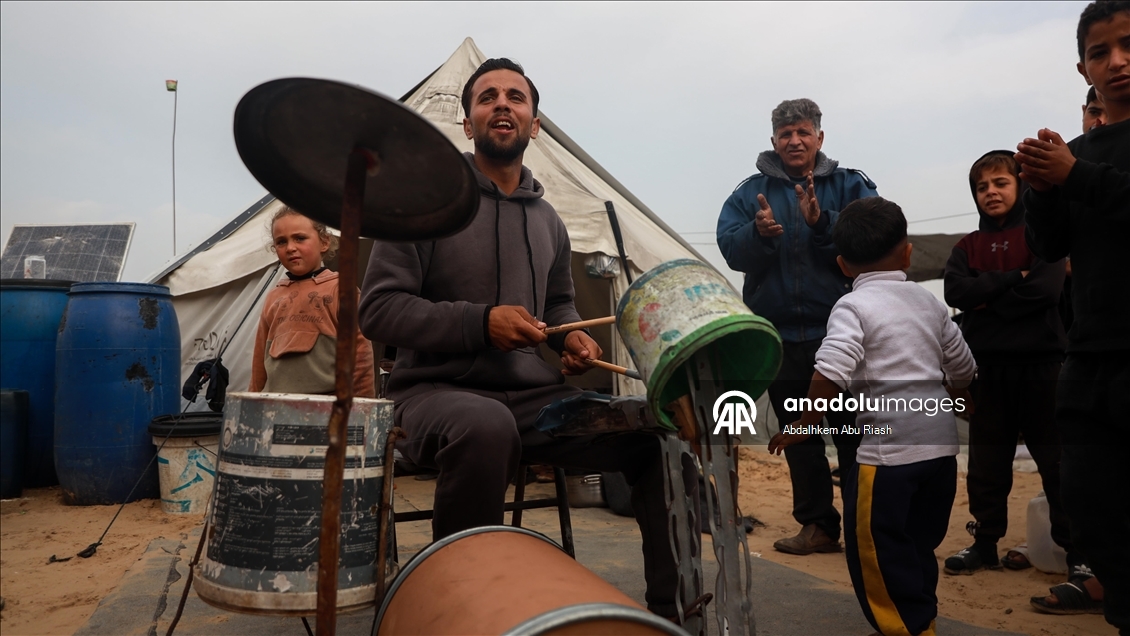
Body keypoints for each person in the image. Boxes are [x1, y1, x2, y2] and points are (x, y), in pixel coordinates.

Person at [359, 58, 688, 620]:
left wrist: (568, 342)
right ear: (467, 123)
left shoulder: (550, 220)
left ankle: (674, 612)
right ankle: (462, 611)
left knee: (652, 430)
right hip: (433, 394)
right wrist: (479, 322)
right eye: (487, 97)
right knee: (484, 426)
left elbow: (557, 306)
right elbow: (379, 310)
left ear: (535, 123)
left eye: (516, 97)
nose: (502, 104)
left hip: (533, 400)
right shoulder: (422, 203)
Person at [769, 197, 976, 636]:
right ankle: (920, 622)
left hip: (888, 457)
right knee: (918, 546)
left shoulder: (853, 307)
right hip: (940, 453)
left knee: (877, 553)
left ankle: (905, 630)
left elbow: (830, 368)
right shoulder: (929, 302)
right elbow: (962, 365)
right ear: (907, 252)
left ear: (842, 265)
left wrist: (805, 422)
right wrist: (961, 397)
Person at [716, 98, 877, 555]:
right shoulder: (749, 193)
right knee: (799, 437)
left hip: (844, 335)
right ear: (773, 141)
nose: (794, 140)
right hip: (780, 337)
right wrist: (758, 235)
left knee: (853, 434)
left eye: (803, 132)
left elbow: (875, 241)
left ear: (820, 138)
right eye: (785, 134)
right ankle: (819, 527)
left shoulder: (851, 185)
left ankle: (866, 526)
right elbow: (729, 247)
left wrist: (822, 223)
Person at [1015, 1, 1129, 629]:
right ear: (1082, 67)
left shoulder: (1083, 162)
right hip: (1087, 360)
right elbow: (1050, 246)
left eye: (1128, 45)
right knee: (1090, 515)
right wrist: (1043, 189)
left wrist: (1076, 175)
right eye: (1099, 52)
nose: (1116, 62)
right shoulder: (1079, 152)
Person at [942, 151, 1069, 576]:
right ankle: (984, 542)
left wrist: (986, 301)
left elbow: (1047, 293)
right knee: (987, 463)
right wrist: (1016, 278)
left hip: (1043, 365)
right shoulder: (967, 246)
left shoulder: (1044, 236)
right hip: (988, 369)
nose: (991, 193)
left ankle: (1079, 552)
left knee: (1056, 462)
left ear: (1021, 186)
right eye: (982, 187)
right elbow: (956, 293)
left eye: (1000, 183)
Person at [249, 206, 376, 398]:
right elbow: (259, 360)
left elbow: (361, 355)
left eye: (299, 238)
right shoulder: (274, 297)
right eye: (281, 242)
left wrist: (362, 408)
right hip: (274, 406)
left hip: (327, 407)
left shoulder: (341, 290)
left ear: (324, 242)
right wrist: (252, 401)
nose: (290, 247)